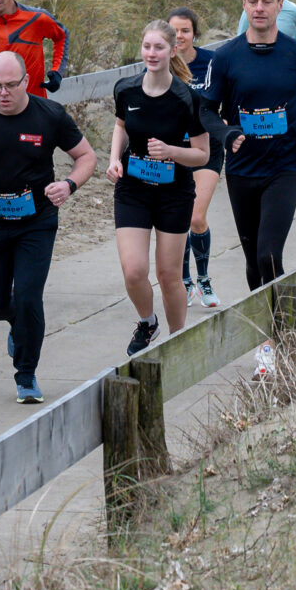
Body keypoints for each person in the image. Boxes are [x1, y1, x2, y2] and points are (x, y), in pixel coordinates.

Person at [0, 52, 94, 403]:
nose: (3, 93)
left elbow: (86, 157)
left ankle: (26, 374)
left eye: (11, 85)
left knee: (29, 297)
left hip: (36, 222)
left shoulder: (50, 115)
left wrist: (69, 185)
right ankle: (17, 322)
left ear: (26, 81)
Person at [211, 0, 296, 289]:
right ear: (244, 6)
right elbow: (204, 109)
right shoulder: (226, 57)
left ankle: (284, 334)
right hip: (242, 169)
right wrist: (225, 134)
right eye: (253, 1)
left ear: (280, 5)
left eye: (267, 1)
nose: (259, 8)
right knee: (254, 262)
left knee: (269, 255)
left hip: (285, 166)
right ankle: (266, 336)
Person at [108, 22, 219, 355]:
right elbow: (121, 126)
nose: (151, 54)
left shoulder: (188, 97)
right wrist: (114, 158)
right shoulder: (125, 89)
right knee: (134, 271)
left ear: (172, 51)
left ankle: (179, 339)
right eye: (146, 47)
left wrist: (171, 152)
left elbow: (203, 155)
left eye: (158, 47)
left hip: (174, 193)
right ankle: (148, 322)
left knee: (169, 274)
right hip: (133, 190)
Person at [167, 8, 225, 309]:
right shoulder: (160, 65)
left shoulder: (211, 62)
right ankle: (185, 281)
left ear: (194, 34)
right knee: (178, 221)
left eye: (185, 31)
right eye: (174, 31)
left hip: (207, 149)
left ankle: (204, 280)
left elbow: (226, 99)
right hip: (173, 151)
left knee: (196, 217)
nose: (179, 36)